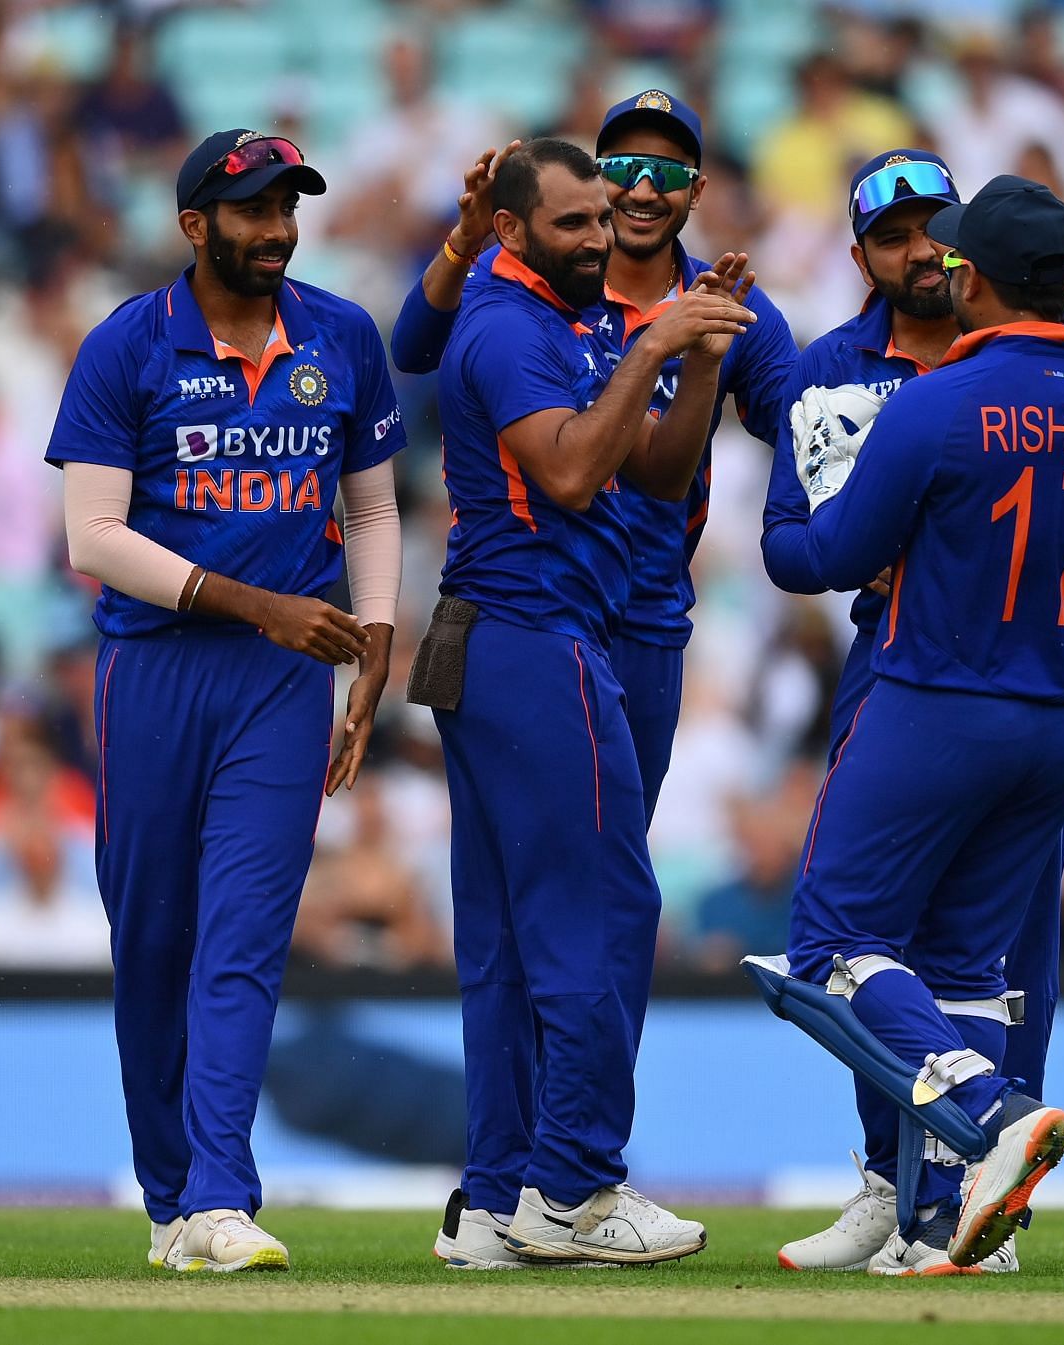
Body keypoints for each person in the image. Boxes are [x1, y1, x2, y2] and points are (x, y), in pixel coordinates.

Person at [767, 175, 1064, 1273]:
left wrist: (793, 516)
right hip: (1057, 719)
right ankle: (955, 1223)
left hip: (933, 698)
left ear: (975, 278)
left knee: (832, 945)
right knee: (965, 964)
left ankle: (994, 1120)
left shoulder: (935, 404)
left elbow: (825, 558)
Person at [46, 130, 407, 1274]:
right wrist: (260, 604)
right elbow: (92, 538)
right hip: (155, 670)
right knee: (153, 941)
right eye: (251, 211)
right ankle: (170, 1200)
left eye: (288, 208)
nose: (276, 230)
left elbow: (376, 513)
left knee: (244, 939)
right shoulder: (127, 346)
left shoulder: (342, 335)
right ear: (196, 224)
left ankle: (221, 1195)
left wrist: (377, 637)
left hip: (281, 682)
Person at [410, 137, 753, 1267]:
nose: (600, 239)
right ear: (512, 232)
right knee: (605, 905)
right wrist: (654, 337)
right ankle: (575, 1186)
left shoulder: (564, 317)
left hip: (525, 637)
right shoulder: (509, 324)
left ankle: (502, 1194)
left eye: (603, 220)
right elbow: (566, 473)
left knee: (513, 931)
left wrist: (693, 351)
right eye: (573, 224)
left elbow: (654, 471)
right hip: (533, 636)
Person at [393, 91, 798, 817]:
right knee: (542, 864)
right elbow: (415, 346)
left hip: (647, 615)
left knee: (607, 858)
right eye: (625, 166)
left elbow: (800, 432)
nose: (643, 189)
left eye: (668, 171)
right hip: (533, 608)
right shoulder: (542, 281)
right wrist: (466, 237)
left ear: (698, 190)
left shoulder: (728, 304)